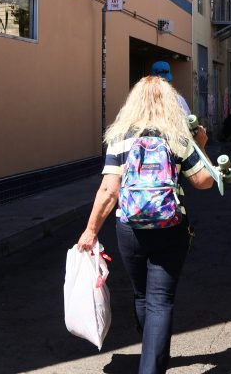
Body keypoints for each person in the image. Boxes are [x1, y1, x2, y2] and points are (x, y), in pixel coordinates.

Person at [77, 76, 217, 374]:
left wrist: (90, 230)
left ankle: (152, 353)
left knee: (142, 296)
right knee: (161, 301)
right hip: (171, 227)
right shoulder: (178, 136)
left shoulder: (121, 137)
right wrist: (202, 144)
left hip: (130, 229)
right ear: (170, 102)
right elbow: (204, 181)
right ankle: (152, 363)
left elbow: (108, 191)